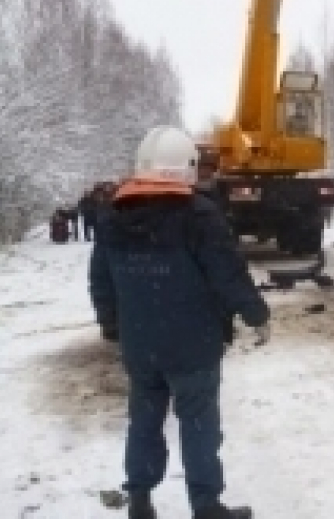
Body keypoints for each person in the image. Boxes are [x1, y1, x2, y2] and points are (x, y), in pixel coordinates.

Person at [88, 125, 270, 519]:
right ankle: (206, 506)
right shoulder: (199, 216)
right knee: (199, 423)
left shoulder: (112, 215)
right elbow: (227, 274)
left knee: (144, 421)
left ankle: (139, 499)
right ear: (187, 167)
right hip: (194, 344)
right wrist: (256, 314)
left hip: (140, 345)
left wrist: (112, 326)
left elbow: (100, 279)